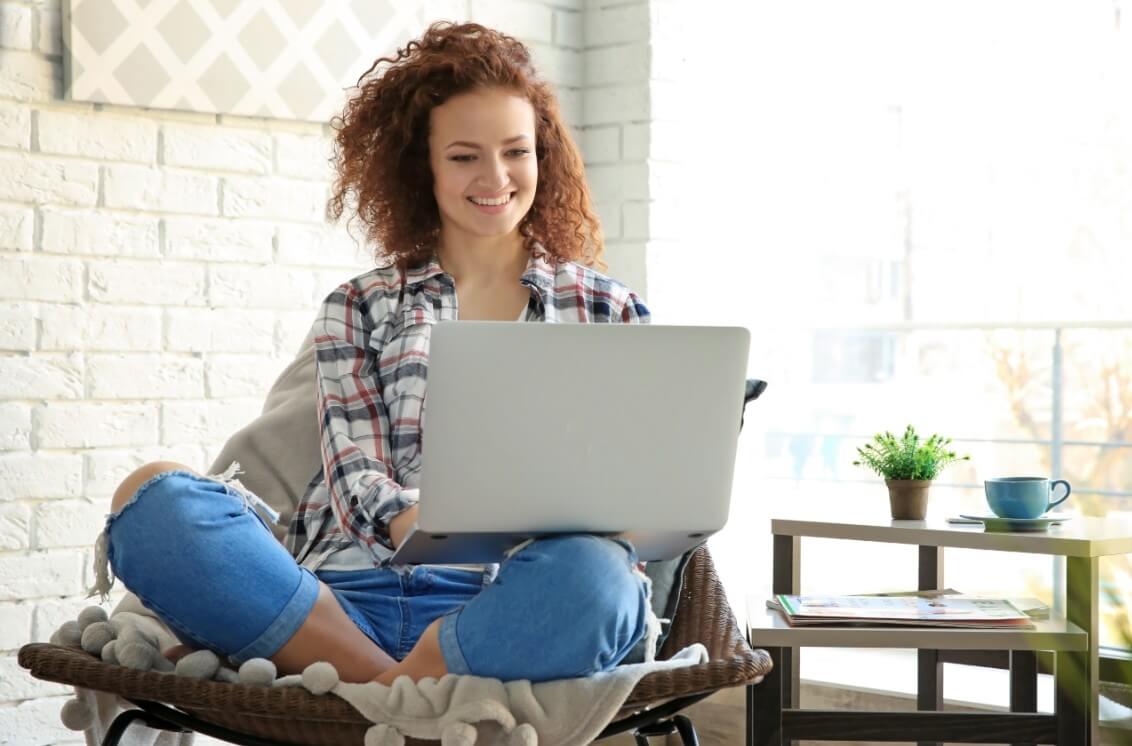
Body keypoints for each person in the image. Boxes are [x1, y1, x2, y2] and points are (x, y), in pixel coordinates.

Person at [99, 22, 652, 686]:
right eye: (464, 156)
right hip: (340, 601)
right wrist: (425, 523)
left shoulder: (607, 309)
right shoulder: (359, 305)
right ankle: (407, 694)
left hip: (507, 605)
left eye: (516, 151)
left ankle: (375, 693)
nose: (496, 177)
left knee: (601, 579)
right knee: (152, 499)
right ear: (423, 166)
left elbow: (629, 496)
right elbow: (357, 478)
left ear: (544, 155)